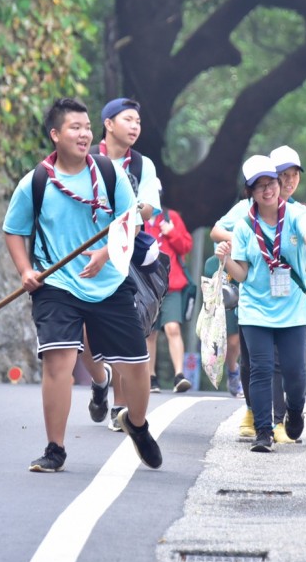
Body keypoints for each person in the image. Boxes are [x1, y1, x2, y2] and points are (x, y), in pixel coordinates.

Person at [2, 97, 161, 472]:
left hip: (108, 282)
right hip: (56, 283)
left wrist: (105, 253)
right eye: (75, 127)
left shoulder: (109, 173)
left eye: (87, 127)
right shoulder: (36, 182)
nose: (84, 133)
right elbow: (14, 230)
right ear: (55, 135)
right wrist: (26, 271)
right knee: (58, 362)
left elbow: (130, 222)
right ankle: (55, 449)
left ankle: (137, 425)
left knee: (136, 366)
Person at [210, 146, 306, 443]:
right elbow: (241, 273)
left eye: (271, 183)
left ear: (279, 185)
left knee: (295, 374)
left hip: (292, 307)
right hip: (255, 307)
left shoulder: (297, 214)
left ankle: (294, 411)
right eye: (259, 186)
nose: (267, 190)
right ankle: (264, 432)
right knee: (261, 368)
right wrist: (224, 259)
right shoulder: (244, 225)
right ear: (250, 192)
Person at [80, 97, 162, 432]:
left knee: (125, 325)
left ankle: (121, 405)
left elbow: (147, 209)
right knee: (83, 329)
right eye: (128, 119)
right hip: (84, 252)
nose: (134, 127)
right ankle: (100, 380)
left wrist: (123, 214)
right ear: (108, 123)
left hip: (125, 254)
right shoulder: (83, 158)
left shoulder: (142, 166)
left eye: (138, 122)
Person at [144, 195, 194, 392]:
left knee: (173, 328)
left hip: (171, 286)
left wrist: (172, 232)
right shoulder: (137, 220)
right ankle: (151, 378)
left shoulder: (170, 217)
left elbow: (186, 246)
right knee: (150, 334)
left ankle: (179, 375)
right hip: (147, 287)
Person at [202, 255, 244, 398]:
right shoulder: (212, 263)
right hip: (222, 302)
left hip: (245, 298)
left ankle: (245, 376)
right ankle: (233, 371)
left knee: (240, 341)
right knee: (230, 341)